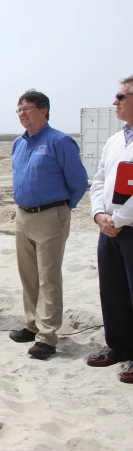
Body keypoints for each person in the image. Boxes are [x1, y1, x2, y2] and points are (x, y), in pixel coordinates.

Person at [10, 89, 87, 360]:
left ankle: (47, 336)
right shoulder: (19, 143)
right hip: (23, 216)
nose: (22, 113)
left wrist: (61, 210)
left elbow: (78, 182)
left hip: (50, 216)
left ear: (44, 111)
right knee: (28, 275)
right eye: (19, 109)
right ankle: (32, 324)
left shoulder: (59, 141)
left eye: (27, 108)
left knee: (49, 277)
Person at [88, 75, 133, 383]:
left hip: (127, 227)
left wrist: (118, 219)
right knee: (113, 290)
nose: (114, 102)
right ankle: (119, 347)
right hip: (109, 229)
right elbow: (100, 180)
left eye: (121, 96)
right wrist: (99, 215)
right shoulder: (115, 140)